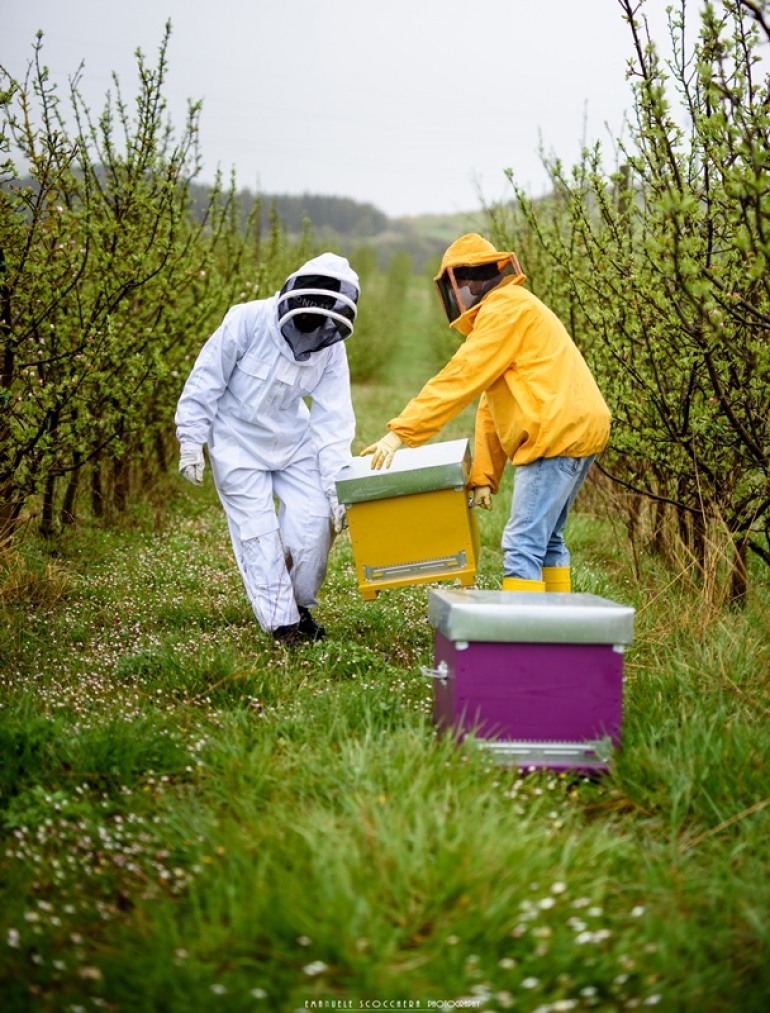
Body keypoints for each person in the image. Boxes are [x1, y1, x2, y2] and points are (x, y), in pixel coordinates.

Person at [361, 233, 610, 593]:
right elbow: (492, 404)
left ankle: (524, 641)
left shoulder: (505, 309)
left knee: (522, 544)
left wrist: (399, 432)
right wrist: (483, 477)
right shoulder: (515, 306)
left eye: (463, 283)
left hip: (554, 434)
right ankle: (557, 635)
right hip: (581, 428)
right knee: (549, 541)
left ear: (467, 282)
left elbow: (460, 376)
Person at [175, 252, 359, 645]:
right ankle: (283, 626)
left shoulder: (331, 349)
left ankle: (298, 605)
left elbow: (333, 420)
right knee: (257, 534)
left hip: (294, 443)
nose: (310, 327)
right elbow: (206, 377)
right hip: (236, 444)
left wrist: (338, 488)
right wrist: (190, 438)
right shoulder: (246, 319)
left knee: (314, 526)